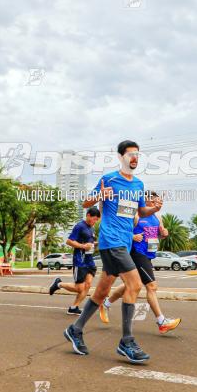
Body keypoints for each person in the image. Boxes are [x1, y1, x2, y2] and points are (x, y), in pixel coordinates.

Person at [63, 140, 162, 363]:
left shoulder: (138, 184)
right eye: (130, 155)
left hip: (124, 243)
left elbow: (140, 211)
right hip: (111, 241)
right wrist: (100, 196)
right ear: (121, 158)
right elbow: (86, 202)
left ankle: (75, 329)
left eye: (137, 154)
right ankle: (127, 341)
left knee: (100, 293)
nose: (134, 158)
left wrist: (153, 209)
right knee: (135, 285)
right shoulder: (109, 179)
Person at [101, 191, 181, 333]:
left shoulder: (158, 216)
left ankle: (105, 303)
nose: (159, 204)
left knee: (130, 285)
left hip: (148, 254)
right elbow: (120, 231)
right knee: (151, 286)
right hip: (137, 254)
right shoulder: (136, 215)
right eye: (156, 201)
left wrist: (163, 234)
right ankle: (162, 322)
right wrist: (132, 236)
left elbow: (157, 234)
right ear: (147, 201)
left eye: (160, 202)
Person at [49, 206, 100, 314]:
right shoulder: (79, 226)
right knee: (79, 288)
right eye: (94, 219)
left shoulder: (91, 228)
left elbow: (88, 243)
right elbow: (69, 241)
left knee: (88, 284)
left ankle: (74, 307)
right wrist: (83, 246)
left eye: (97, 220)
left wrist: (96, 244)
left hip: (89, 260)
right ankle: (58, 284)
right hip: (80, 260)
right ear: (88, 215)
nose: (95, 222)